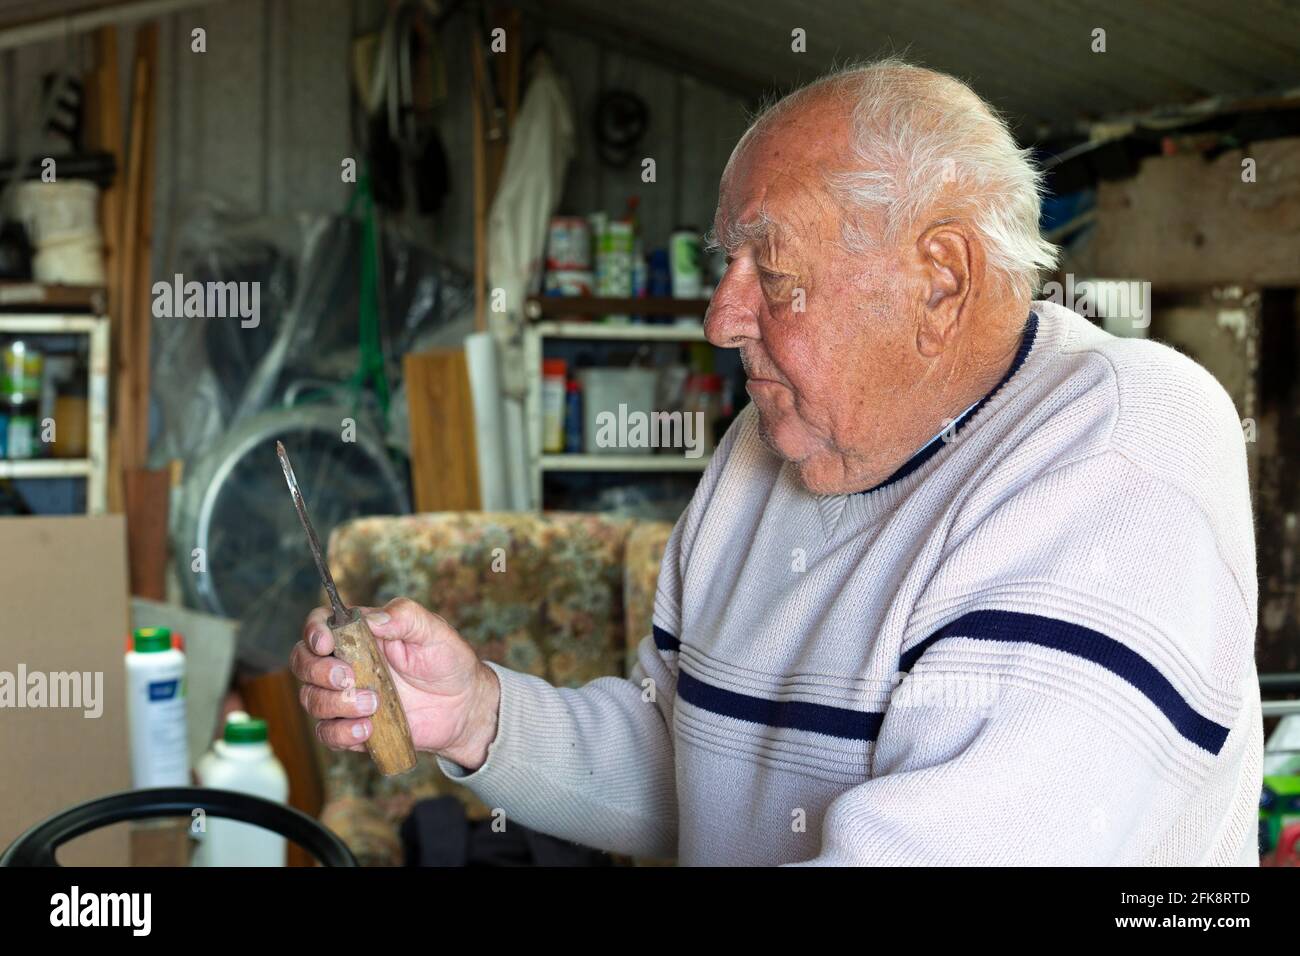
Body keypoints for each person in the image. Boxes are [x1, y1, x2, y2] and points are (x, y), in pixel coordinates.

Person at [294, 58, 1262, 865]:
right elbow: (691, 764)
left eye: (776, 272)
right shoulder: (769, 446)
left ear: (942, 277)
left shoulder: (1120, 445)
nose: (720, 319)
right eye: (727, 264)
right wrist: (476, 714)